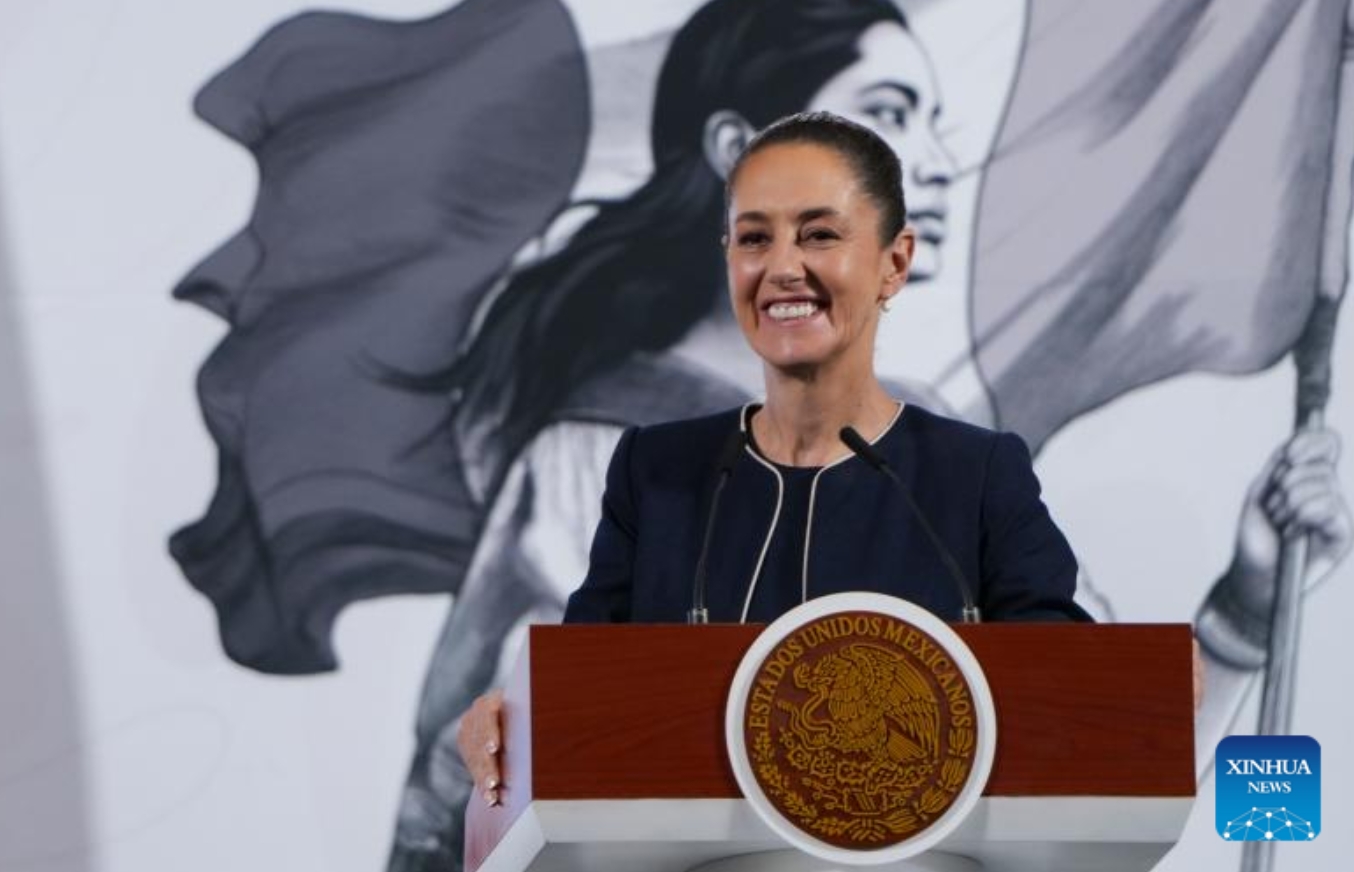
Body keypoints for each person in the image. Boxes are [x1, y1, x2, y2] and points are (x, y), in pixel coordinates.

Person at [388, 0, 961, 870]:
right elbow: (481, 782)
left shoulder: (950, 451)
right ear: (740, 155)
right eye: (887, 114)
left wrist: (1242, 596)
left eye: (933, 122)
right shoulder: (603, 456)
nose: (932, 162)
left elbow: (1079, 734)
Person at [454, 109, 1089, 802]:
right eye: (754, 238)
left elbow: (1065, 694)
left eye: (819, 235)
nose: (782, 268)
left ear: (894, 262)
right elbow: (580, 689)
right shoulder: (655, 472)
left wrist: (1134, 679)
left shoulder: (975, 477)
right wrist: (507, 720)